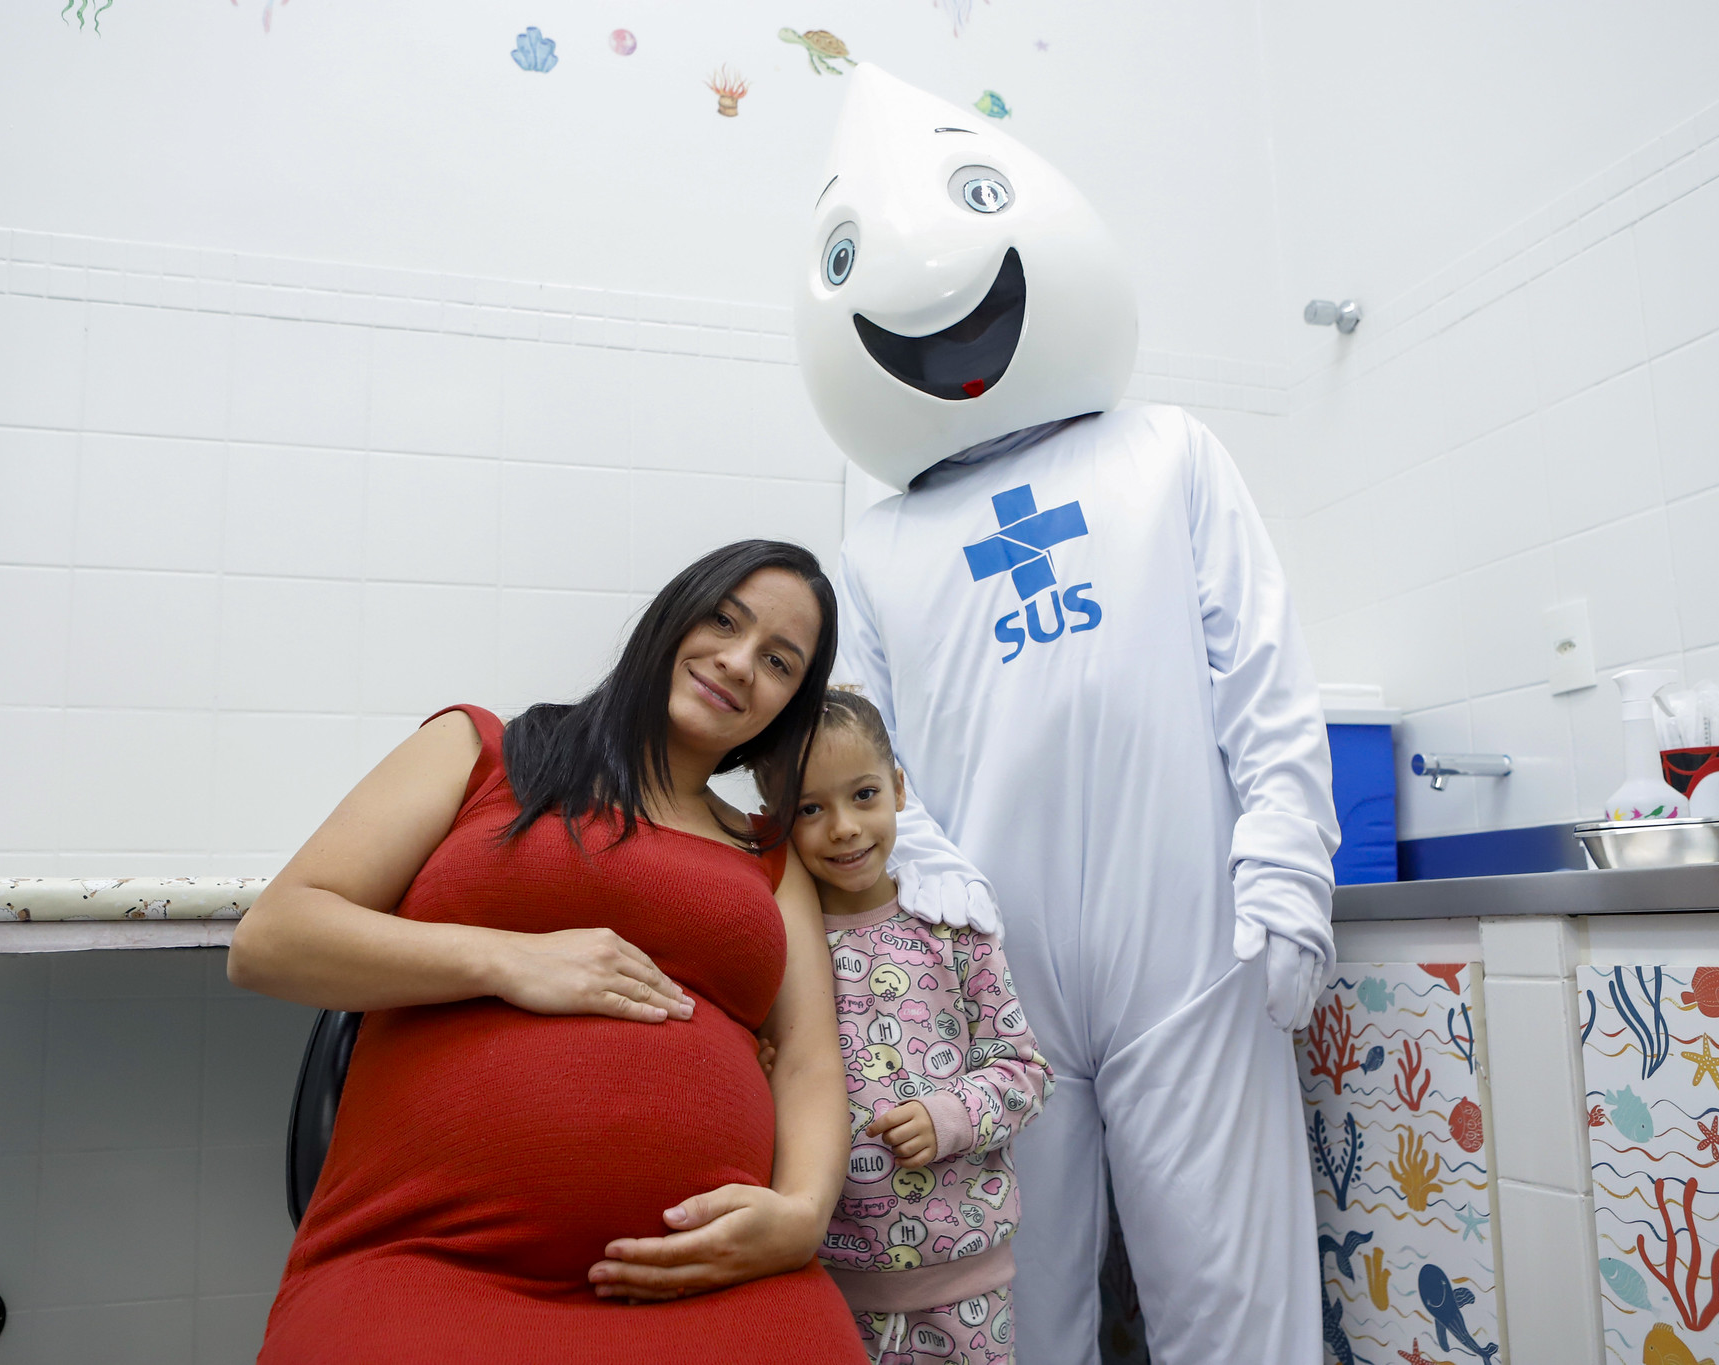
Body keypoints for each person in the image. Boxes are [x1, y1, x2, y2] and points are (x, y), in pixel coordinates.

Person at [791, 67, 1341, 1363]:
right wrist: (932, 933)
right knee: (1014, 1307)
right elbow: (868, 766)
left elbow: (1264, 681)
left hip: (1189, 941)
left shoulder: (1167, 451)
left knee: (1233, 1296)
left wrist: (1285, 865)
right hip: (991, 973)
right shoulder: (873, 545)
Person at [231, 540, 869, 1364]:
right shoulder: (486, 753)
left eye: (779, 661)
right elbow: (273, 938)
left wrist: (803, 1213)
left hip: (711, 1279)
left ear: (790, 704)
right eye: (723, 620)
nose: (740, 662)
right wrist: (510, 959)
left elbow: (810, 1061)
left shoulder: (768, 854)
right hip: (429, 1262)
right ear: (671, 617)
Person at [755, 691, 1053, 1365]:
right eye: (809, 808)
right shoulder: (779, 947)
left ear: (897, 789)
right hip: (828, 1288)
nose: (844, 827)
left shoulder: (955, 929)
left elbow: (1027, 1073)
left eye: (863, 795)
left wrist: (950, 1116)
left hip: (967, 1290)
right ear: (775, 819)